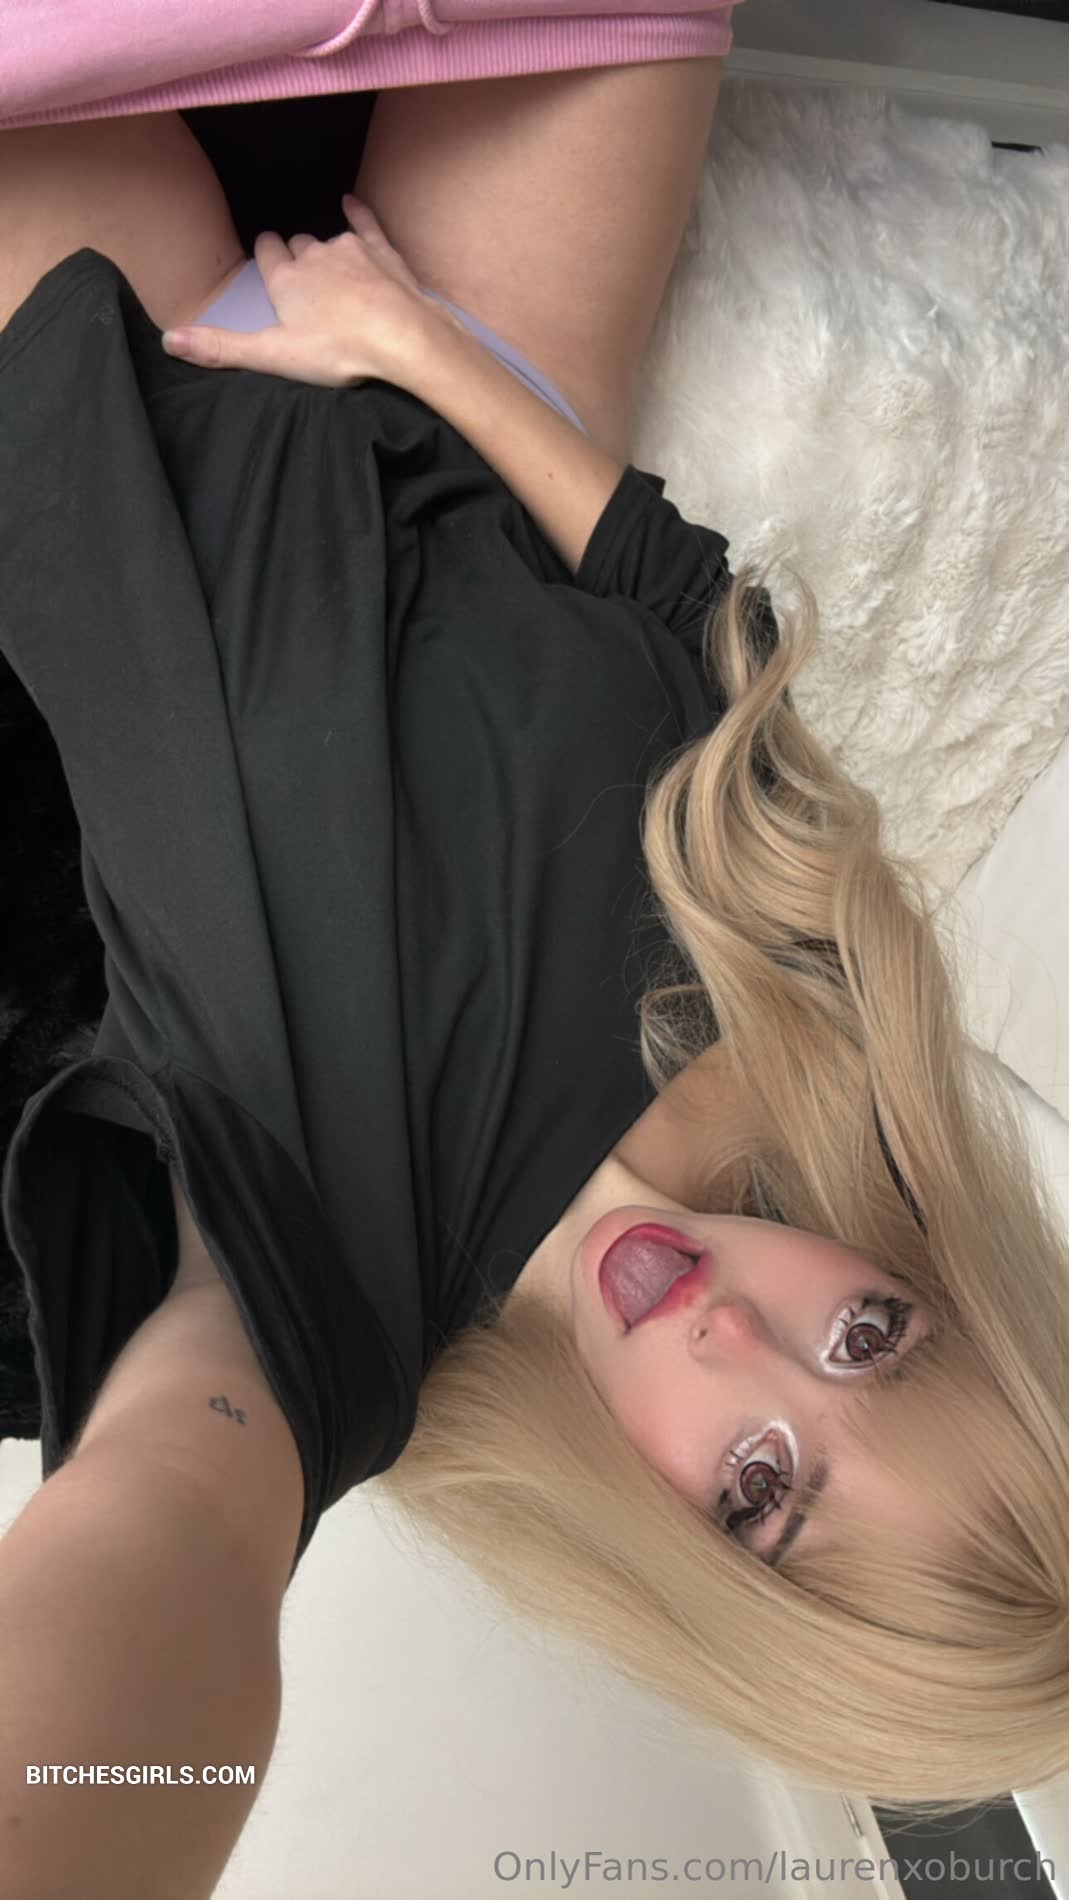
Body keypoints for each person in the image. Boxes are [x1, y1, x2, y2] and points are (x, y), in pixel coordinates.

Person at [1, 64, 1068, 1900]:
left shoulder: (334, 1319)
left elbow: (150, 1600)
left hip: (129, 359)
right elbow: (692, 612)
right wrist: (413, 345)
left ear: (684, 1576)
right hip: (469, 360)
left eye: (760, 1488)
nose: (737, 1340)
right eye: (869, 1341)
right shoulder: (806, 1030)